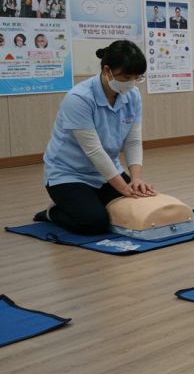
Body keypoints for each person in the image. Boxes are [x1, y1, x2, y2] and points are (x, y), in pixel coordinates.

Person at [36, 41, 155, 235]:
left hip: (106, 172)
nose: (132, 83)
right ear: (107, 70)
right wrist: (122, 188)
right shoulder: (79, 98)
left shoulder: (133, 95)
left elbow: (133, 141)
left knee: (142, 207)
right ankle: (53, 212)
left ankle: (92, 200)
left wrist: (135, 180)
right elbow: (94, 151)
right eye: (126, 77)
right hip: (68, 174)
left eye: (137, 78)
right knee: (94, 222)